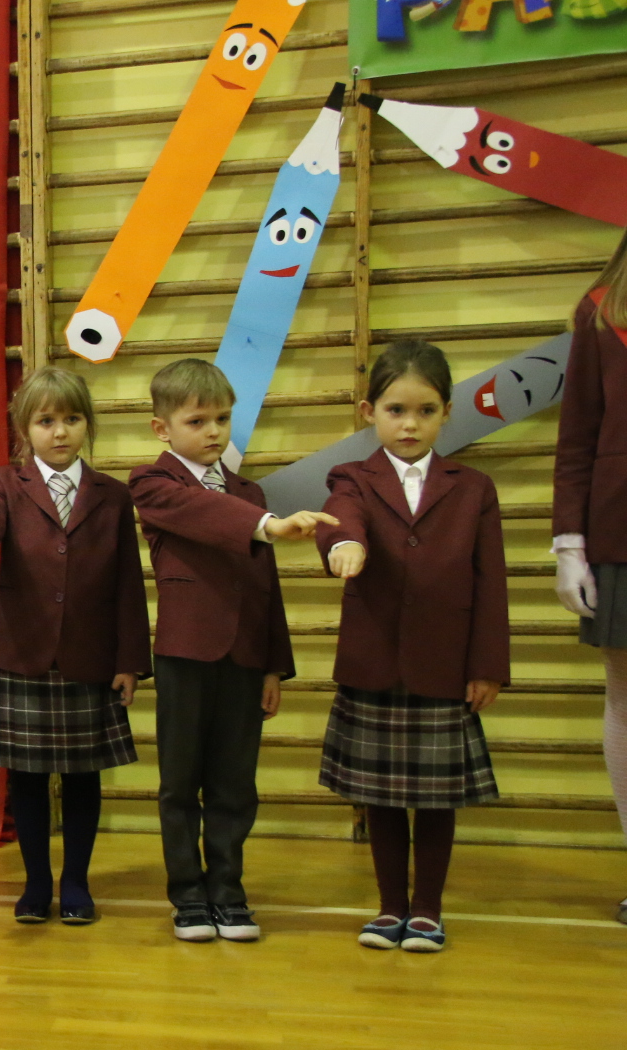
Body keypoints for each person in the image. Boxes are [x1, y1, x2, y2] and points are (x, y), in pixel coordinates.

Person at [129, 358, 332, 943]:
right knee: (179, 784)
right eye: (197, 421)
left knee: (235, 784)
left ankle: (228, 893)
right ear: (162, 428)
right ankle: (188, 897)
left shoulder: (248, 492)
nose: (214, 431)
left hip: (244, 658)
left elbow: (265, 587)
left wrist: (273, 666)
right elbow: (204, 513)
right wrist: (268, 525)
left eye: (222, 419)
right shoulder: (152, 483)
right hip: (185, 655)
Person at [0, 366, 150, 925]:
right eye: (46, 420)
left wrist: (130, 660)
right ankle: (35, 884)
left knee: (82, 780)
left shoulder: (112, 496)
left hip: (90, 660)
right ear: (24, 429)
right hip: (25, 658)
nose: (59, 432)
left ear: (88, 425)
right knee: (27, 780)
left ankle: (75, 882)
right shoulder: (5, 485)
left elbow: (128, 584)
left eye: (72, 419)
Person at [319, 341, 508, 952]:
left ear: (446, 412)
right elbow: (342, 517)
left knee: (435, 799)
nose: (409, 424)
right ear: (369, 411)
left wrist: (487, 666)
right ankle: (389, 908)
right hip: (374, 661)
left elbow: (490, 582)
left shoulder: (474, 488)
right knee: (379, 797)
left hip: (444, 664)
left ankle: (427, 910)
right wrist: (343, 544)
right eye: (395, 410)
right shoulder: (351, 478)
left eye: (425, 411)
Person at [552, 228, 627, 923]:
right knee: (625, 694)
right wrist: (569, 544)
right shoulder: (602, 309)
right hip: (619, 531)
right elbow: (577, 435)